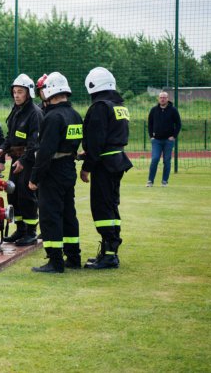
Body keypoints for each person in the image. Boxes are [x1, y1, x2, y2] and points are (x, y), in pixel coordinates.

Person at [28, 72, 83, 273]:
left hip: (53, 171)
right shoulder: (75, 115)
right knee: (69, 214)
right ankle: (73, 256)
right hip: (69, 169)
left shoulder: (52, 116)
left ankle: (55, 261)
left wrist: (34, 178)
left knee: (50, 215)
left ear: (50, 91)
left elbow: (45, 152)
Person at [80, 67, 133, 269]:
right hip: (116, 160)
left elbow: (96, 142)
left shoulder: (100, 107)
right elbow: (111, 137)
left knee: (102, 208)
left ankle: (109, 256)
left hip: (104, 164)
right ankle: (109, 251)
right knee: (111, 205)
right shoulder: (118, 106)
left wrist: (87, 166)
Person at [0, 74, 43, 246]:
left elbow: (34, 143)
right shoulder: (16, 111)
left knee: (27, 195)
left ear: (29, 93)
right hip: (16, 160)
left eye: (20, 92)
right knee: (13, 194)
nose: (16, 95)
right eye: (14, 92)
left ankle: (31, 232)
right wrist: (2, 151)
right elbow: (10, 137)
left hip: (28, 162)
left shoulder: (34, 113)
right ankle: (20, 230)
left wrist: (22, 160)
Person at [147, 91, 181, 187]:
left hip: (168, 141)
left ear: (167, 99)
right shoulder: (154, 110)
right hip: (156, 140)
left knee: (167, 160)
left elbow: (178, 124)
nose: (162, 99)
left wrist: (174, 136)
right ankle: (150, 181)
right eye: (161, 97)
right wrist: (151, 136)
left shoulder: (173, 110)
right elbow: (150, 123)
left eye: (164, 97)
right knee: (155, 159)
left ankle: (164, 181)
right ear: (158, 99)